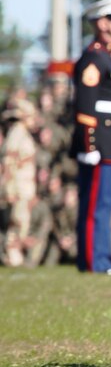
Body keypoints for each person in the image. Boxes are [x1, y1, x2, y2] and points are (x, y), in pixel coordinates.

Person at [71, 0, 111, 275]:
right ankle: (95, 262)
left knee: (103, 203)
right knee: (95, 204)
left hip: (110, 140)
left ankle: (99, 259)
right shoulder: (94, 57)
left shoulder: (106, 56)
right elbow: (85, 105)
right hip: (99, 142)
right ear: (103, 23)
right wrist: (89, 144)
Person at [1, 98, 39, 266]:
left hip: (23, 186)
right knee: (17, 223)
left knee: (20, 222)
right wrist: (8, 189)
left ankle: (14, 257)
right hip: (17, 187)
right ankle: (12, 257)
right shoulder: (17, 133)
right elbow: (9, 163)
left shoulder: (21, 133)